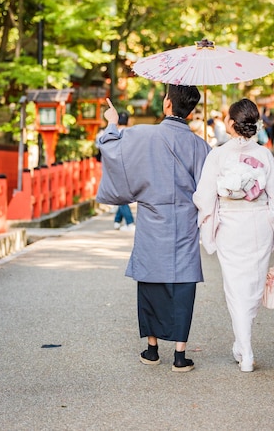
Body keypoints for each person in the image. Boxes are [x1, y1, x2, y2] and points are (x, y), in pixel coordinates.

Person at [96, 85, 211, 372]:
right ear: (191, 110)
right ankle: (180, 355)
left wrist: (112, 122)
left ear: (167, 104)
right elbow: (210, 189)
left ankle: (152, 349)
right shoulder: (200, 145)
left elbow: (111, 150)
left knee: (151, 280)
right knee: (183, 283)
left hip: (152, 217)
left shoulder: (142, 134)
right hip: (185, 221)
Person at [193, 98, 274, 372]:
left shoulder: (217, 154)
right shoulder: (264, 155)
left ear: (231, 123)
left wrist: (206, 212)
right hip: (259, 224)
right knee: (253, 287)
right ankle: (243, 345)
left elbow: (204, 197)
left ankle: (246, 350)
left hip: (231, 225)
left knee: (236, 288)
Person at [112, 111, 135, 231]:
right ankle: (122, 221)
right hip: (129, 166)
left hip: (116, 167)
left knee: (121, 196)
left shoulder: (113, 133)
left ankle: (125, 222)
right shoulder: (132, 133)